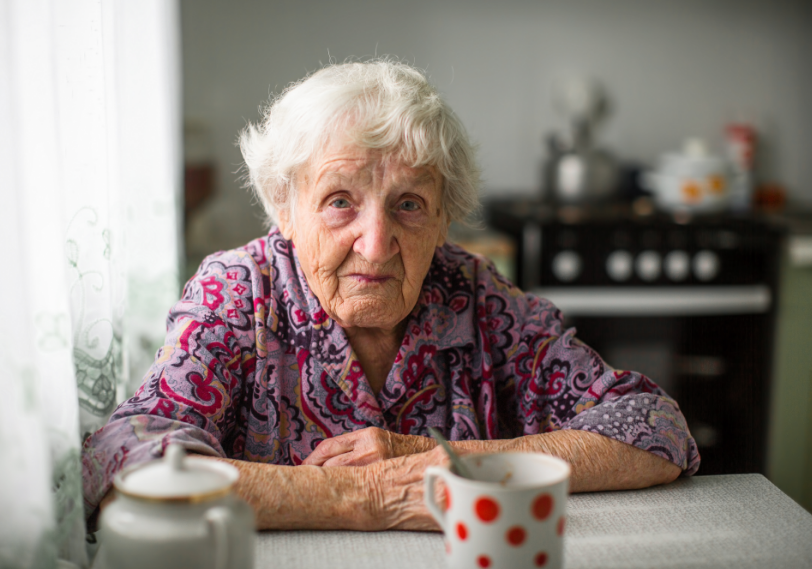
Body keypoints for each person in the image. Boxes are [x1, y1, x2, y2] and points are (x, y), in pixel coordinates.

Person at [82, 60, 699, 531]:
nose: (375, 245)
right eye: (339, 201)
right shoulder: (239, 292)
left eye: (409, 205)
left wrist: (450, 461)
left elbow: (653, 429)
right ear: (285, 209)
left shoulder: (476, 296)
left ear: (442, 220)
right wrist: (370, 494)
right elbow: (126, 464)